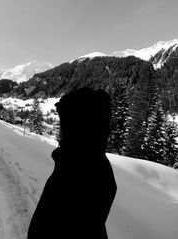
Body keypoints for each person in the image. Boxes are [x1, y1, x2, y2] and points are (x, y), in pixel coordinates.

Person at [27, 88, 117, 239]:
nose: (59, 133)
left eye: (64, 125)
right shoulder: (90, 165)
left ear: (78, 129)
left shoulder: (75, 175)